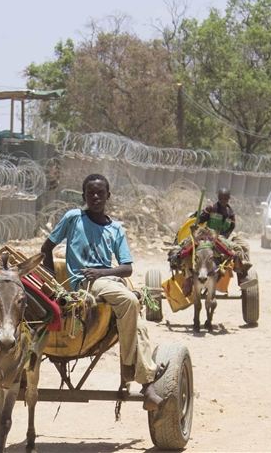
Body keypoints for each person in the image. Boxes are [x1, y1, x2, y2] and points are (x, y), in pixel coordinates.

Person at [40, 174, 166, 410]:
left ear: (108, 196)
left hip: (107, 281)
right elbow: (46, 248)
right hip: (85, 282)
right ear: (83, 195)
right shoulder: (73, 218)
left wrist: (102, 272)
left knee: (137, 323)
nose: (95, 197)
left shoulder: (116, 229)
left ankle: (146, 385)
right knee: (130, 301)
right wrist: (52, 284)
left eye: (100, 193)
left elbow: (127, 268)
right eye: (91, 192)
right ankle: (131, 369)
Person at [197, 187, 255, 287]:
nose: (223, 201)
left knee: (244, 245)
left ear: (229, 198)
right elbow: (200, 220)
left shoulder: (231, 213)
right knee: (237, 248)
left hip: (225, 236)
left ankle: (243, 271)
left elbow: (231, 227)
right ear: (218, 197)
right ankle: (242, 276)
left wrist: (226, 237)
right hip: (211, 236)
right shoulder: (211, 208)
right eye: (221, 198)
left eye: (225, 199)